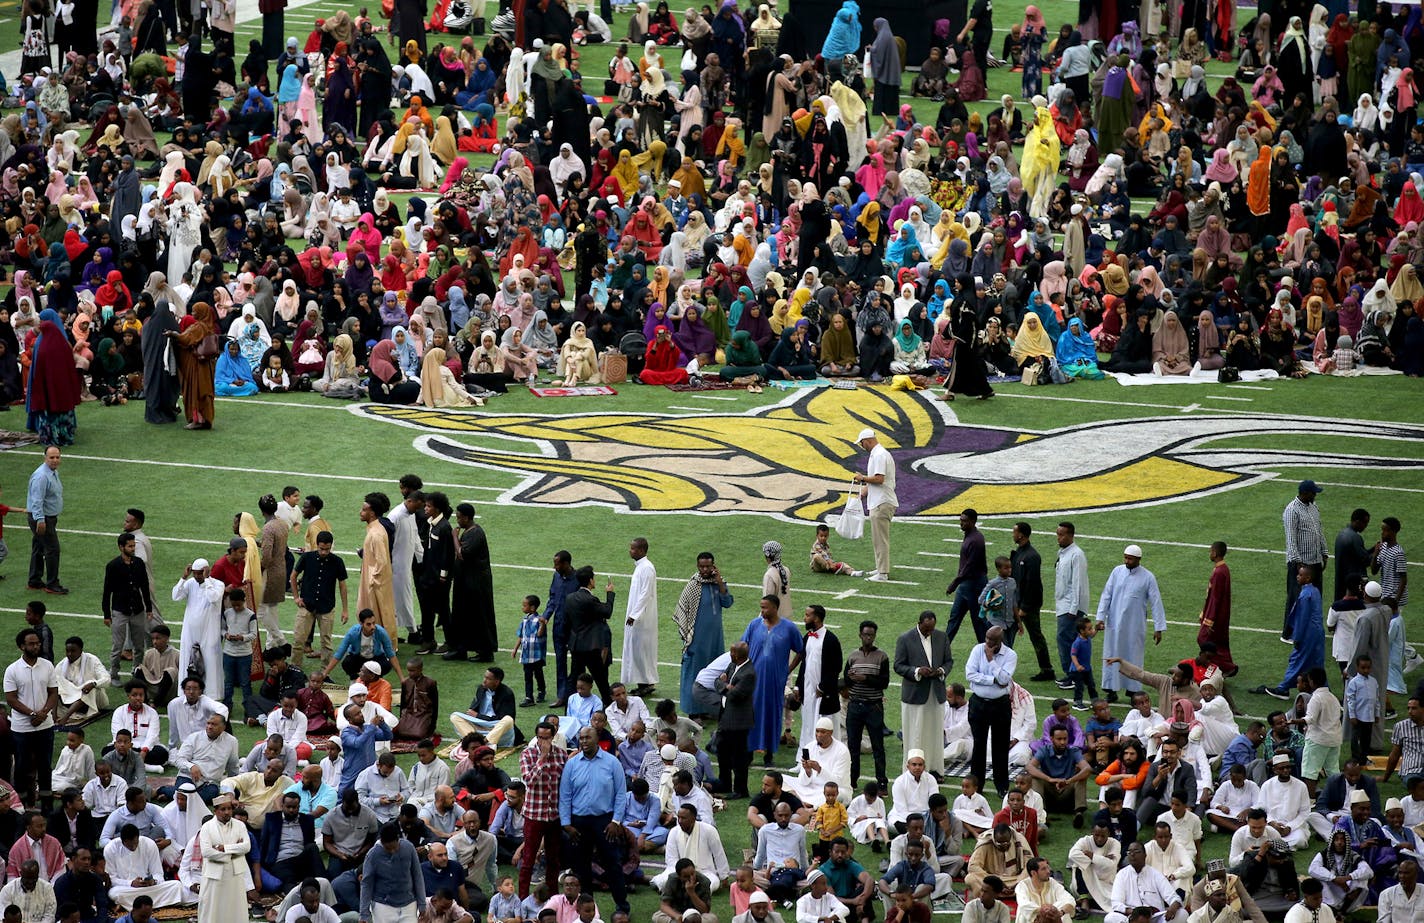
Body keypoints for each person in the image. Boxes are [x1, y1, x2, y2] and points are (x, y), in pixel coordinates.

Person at [559, 726, 630, 914]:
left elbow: (621, 795)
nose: (583, 741)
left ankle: (622, 907)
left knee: (613, 865)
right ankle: (587, 909)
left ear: (597, 738)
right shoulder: (572, 764)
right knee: (581, 868)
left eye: (587, 738)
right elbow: (565, 795)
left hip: (604, 822)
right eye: (581, 738)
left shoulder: (612, 763)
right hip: (578, 824)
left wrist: (616, 821)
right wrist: (566, 824)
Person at [1096, 545, 1167, 702]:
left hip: (1134, 626)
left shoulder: (1148, 577)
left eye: (1130, 558)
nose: (1127, 561)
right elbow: (1106, 595)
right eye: (1125, 557)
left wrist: (1158, 628)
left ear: (1138, 559)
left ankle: (1132, 690)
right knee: (1111, 654)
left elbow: (1156, 602)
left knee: (1133, 656)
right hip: (1114, 623)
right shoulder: (1117, 571)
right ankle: (1110, 690)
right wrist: (1100, 617)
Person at [894, 611, 952, 777]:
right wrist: (918, 671)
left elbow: (949, 661)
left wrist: (940, 671)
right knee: (915, 733)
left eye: (932, 628)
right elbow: (898, 666)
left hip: (936, 692)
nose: (929, 632)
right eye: (926, 629)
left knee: (935, 732)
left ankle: (935, 768)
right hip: (914, 695)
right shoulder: (905, 639)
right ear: (919, 623)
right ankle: (913, 769)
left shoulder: (941, 637)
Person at [7, 626, 58, 804]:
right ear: (22, 646)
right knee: (21, 766)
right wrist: (32, 713)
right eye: (32, 644)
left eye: (38, 643)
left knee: (45, 766)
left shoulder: (47, 666)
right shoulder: (12, 670)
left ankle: (46, 805)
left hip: (45, 725)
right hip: (22, 727)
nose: (36, 646)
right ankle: (21, 804)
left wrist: (43, 713)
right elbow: (11, 699)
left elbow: (53, 693)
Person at [677, 552, 732, 718]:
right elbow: (682, 611)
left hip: (715, 638)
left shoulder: (717, 583)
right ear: (697, 566)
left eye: (708, 566)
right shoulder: (693, 585)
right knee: (694, 673)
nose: (705, 569)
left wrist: (720, 582)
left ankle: (709, 708)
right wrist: (687, 637)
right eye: (701, 566)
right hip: (697, 639)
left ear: (713, 565)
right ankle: (693, 711)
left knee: (714, 673)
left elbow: (727, 602)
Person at [969, 626, 1018, 797]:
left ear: (1000, 641)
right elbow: (970, 674)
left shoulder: (1010, 655)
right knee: (978, 745)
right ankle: (977, 784)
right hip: (978, 703)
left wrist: (991, 661)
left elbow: (1005, 679)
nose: (988, 643)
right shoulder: (977, 650)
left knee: (1000, 745)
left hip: (1000, 705)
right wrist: (993, 680)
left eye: (992, 641)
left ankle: (1002, 785)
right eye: (987, 638)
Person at [102, 533, 155, 684]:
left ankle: (137, 671)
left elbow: (144, 587)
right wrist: (107, 614)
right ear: (121, 547)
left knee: (139, 645)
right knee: (117, 645)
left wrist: (149, 608)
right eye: (130, 546)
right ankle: (114, 673)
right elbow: (107, 591)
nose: (133, 549)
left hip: (137, 609)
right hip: (120, 610)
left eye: (134, 546)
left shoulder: (138, 563)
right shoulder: (113, 566)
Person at [1283, 480, 1328, 642]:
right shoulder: (1292, 510)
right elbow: (1291, 539)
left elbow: (1319, 531)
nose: (1315, 495)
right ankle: (1289, 633)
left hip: (1314, 561)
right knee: (1296, 598)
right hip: (1301, 564)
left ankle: (1308, 629)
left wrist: (1324, 552)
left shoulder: (1313, 507)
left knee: (1315, 597)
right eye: (1313, 492)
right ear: (1305, 493)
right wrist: (1298, 563)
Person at [1011, 523, 1055, 682]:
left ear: (1021, 535)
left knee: (1035, 636)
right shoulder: (1020, 553)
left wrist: (1024, 608)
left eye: (1014, 532)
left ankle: (1047, 669)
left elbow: (1032, 584)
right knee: (1007, 634)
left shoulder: (1031, 556)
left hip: (1026, 606)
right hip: (1018, 603)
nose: (1013, 534)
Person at [852, 429, 897, 582]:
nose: (861, 445)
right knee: (878, 538)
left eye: (862, 442)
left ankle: (883, 573)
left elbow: (879, 479)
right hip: (879, 500)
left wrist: (862, 478)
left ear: (868, 440)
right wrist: (863, 493)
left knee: (880, 539)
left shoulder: (879, 455)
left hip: (881, 502)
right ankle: (880, 568)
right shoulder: (877, 454)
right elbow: (876, 481)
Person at [713, 641, 757, 799]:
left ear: (738, 655)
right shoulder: (733, 666)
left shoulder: (748, 673)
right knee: (722, 752)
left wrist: (724, 685)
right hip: (726, 716)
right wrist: (725, 685)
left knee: (739, 757)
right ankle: (724, 783)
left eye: (732, 652)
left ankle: (740, 789)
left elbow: (735, 694)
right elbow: (716, 681)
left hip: (738, 721)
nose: (730, 654)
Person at [360, 822, 426, 923]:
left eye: (394, 847)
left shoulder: (409, 847)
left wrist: (422, 903)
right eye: (388, 848)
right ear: (381, 841)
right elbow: (366, 884)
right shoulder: (372, 855)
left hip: (409, 904)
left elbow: (418, 876)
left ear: (398, 839)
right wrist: (364, 913)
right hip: (383, 905)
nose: (392, 851)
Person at [1108, 843, 1188, 923]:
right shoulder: (1122, 875)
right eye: (1129, 852)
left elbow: (1173, 897)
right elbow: (1116, 903)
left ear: (1145, 855)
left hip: (1154, 917)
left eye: (1136, 851)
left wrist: (1173, 906)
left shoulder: (1156, 874)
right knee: (1110, 918)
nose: (1132, 855)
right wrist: (1133, 913)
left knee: (1182, 914)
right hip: (1132, 917)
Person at [945, 509, 989, 654]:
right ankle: (942, 649)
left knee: (978, 622)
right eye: (961, 519)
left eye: (965, 521)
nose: (961, 523)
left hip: (975, 585)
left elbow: (969, 567)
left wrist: (954, 583)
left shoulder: (975, 540)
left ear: (973, 521)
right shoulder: (971, 536)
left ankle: (987, 651)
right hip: (966, 585)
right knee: (954, 618)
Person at [1054, 523, 1090, 691]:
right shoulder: (1064, 553)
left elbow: (1077, 583)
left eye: (1061, 535)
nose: (1058, 538)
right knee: (1069, 640)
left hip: (1070, 607)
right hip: (1065, 604)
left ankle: (1073, 676)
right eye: (1058, 534)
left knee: (1065, 639)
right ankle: (1074, 674)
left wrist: (1073, 609)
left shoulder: (1076, 555)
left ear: (1071, 535)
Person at [359, 494, 399, 646]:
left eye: (364, 510)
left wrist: (372, 581)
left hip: (375, 582)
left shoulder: (375, 533)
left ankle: (384, 646)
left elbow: (381, 561)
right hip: (373, 579)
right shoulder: (375, 529)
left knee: (378, 614)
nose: (360, 512)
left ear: (372, 513)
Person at [621, 537, 658, 697]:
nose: (631, 551)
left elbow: (645, 594)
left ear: (642, 550)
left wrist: (634, 614)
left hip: (641, 619)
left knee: (640, 650)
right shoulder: (641, 567)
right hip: (638, 617)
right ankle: (643, 683)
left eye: (634, 549)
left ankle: (646, 683)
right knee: (637, 650)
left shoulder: (647, 568)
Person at [26, 445, 65, 594]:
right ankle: (52, 584)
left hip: (46, 517)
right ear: (45, 458)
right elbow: (37, 500)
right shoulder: (42, 476)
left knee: (39, 547)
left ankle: (34, 580)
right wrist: (40, 520)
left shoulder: (51, 472)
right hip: (43, 519)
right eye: (52, 457)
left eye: (57, 457)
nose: (55, 460)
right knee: (53, 549)